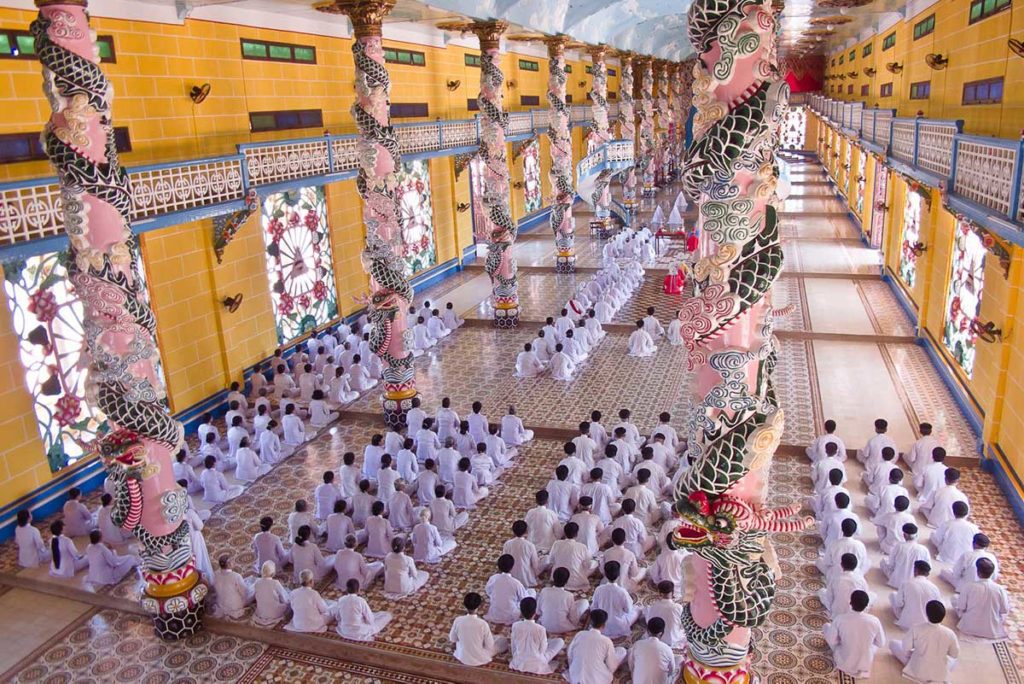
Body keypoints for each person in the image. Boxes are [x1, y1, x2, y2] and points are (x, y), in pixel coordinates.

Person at [890, 600, 960, 683]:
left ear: (926, 614)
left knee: (893, 643)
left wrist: (913, 652)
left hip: (917, 671)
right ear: (944, 616)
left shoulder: (916, 628)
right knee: (955, 661)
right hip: (939, 674)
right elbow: (955, 654)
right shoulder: (950, 633)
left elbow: (906, 648)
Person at [823, 590, 886, 680]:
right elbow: (881, 643)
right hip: (865, 664)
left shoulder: (840, 619)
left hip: (844, 662)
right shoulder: (875, 621)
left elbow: (832, 641)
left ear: (850, 603)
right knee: (870, 645)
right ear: (867, 605)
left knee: (826, 626)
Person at [566, 609, 627, 684]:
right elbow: (612, 666)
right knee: (621, 651)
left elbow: (570, 654)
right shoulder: (606, 641)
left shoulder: (580, 634)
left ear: (590, 623)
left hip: (575, 677)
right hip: (597, 680)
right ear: (604, 625)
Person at [955, 558, 1009, 640]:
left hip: (969, 627)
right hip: (992, 630)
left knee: (954, 599)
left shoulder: (969, 586)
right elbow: (1004, 610)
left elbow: (961, 607)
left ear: (978, 572)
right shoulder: (1000, 589)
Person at [449, 592, 509, 666]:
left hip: (462, 655)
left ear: (464, 604)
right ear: (479, 606)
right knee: (502, 640)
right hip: (480, 657)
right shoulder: (482, 624)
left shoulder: (458, 620)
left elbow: (453, 639)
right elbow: (489, 646)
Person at [509, 596, 564, 675]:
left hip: (519, 661)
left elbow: (513, 646)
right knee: (560, 641)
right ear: (535, 612)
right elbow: (542, 650)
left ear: (521, 612)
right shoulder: (540, 629)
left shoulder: (515, 625)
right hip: (537, 663)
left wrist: (516, 656)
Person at [591, 561, 641, 639]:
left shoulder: (599, 589)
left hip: (602, 626)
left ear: (605, 574)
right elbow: (628, 610)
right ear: (618, 575)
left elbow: (594, 607)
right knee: (637, 609)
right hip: (619, 626)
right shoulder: (622, 592)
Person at [484, 554, 536, 626]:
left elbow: (488, 591)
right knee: (532, 592)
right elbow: (525, 599)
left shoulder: (493, 578)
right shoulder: (516, 583)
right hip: (510, 616)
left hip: (494, 613)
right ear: (512, 567)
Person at [891, 560, 942, 630]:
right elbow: (937, 608)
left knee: (893, 595)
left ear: (915, 571)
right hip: (926, 625)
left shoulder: (906, 583)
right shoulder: (935, 588)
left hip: (906, 624)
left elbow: (899, 603)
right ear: (927, 574)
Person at [629, 617, 680, 684]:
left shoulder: (637, 644)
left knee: (630, 651)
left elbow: (631, 665)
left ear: (647, 631)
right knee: (680, 659)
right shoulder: (667, 649)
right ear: (661, 633)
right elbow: (671, 670)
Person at [548, 522, 597, 591]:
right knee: (593, 563)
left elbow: (550, 560)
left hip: (557, 579)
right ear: (577, 534)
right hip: (577, 582)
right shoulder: (582, 547)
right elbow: (588, 564)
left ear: (564, 533)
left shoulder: (557, 544)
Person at [882, 523, 932, 589]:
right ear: (917, 535)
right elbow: (929, 567)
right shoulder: (924, 549)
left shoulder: (899, 546)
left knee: (883, 562)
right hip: (916, 583)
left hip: (897, 582)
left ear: (904, 535)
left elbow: (891, 564)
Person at [820, 553, 870, 617]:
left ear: (841, 564)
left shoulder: (836, 579)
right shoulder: (861, 580)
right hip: (857, 610)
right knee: (873, 595)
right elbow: (865, 596)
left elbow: (829, 597)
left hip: (837, 613)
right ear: (856, 565)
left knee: (821, 591)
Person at [285, 568, 333, 633]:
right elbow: (324, 610)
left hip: (298, 624)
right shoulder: (314, 593)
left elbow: (293, 607)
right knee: (332, 611)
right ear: (311, 581)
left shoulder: (293, 592)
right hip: (315, 624)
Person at [502, 520, 544, 588]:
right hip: (526, 578)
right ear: (526, 531)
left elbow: (504, 560)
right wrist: (536, 575)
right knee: (546, 559)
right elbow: (535, 565)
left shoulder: (507, 544)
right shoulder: (530, 545)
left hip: (511, 575)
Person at [213, 555, 255, 619]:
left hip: (221, 604)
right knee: (254, 587)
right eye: (232, 561)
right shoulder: (236, 576)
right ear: (229, 564)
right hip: (235, 606)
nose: (234, 562)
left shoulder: (215, 574)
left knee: (246, 581)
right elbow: (244, 593)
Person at [251, 560, 291, 626]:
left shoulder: (257, 583)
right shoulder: (275, 583)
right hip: (275, 613)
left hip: (261, 613)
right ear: (273, 572)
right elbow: (285, 599)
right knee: (290, 602)